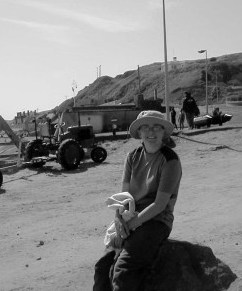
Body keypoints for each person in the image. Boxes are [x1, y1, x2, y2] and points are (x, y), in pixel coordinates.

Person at [93, 110, 182, 291]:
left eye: (157, 127)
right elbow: (124, 197)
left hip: (156, 221)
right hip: (130, 216)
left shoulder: (170, 161)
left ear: (163, 132)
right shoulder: (132, 157)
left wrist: (132, 225)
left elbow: (160, 205)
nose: (151, 132)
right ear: (139, 132)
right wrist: (119, 220)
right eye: (146, 127)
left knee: (123, 270)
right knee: (102, 266)